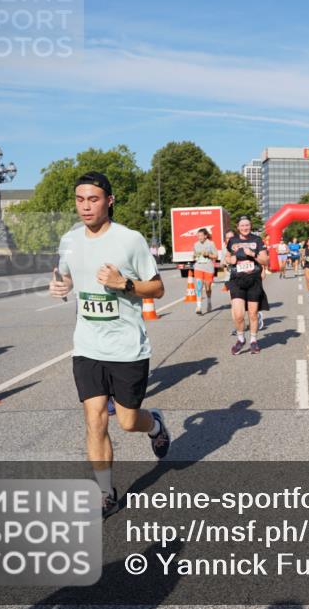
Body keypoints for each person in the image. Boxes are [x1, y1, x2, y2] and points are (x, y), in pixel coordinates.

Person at [49, 171, 172, 518]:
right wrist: (59, 287)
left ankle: (156, 425)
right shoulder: (69, 240)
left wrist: (125, 284)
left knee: (128, 422)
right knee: (94, 420)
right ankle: (106, 493)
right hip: (87, 346)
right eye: (79, 199)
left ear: (109, 201)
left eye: (93, 199)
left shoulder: (129, 240)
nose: (85, 206)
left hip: (127, 348)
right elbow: (66, 276)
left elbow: (157, 288)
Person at [225, 216, 269, 355]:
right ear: (238, 227)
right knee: (238, 315)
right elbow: (226, 257)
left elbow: (265, 260)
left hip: (253, 280)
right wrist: (229, 259)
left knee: (253, 314)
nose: (245, 228)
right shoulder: (233, 240)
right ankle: (240, 339)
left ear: (250, 226)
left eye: (247, 225)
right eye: (242, 225)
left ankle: (254, 341)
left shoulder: (257, 240)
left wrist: (253, 254)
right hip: (237, 280)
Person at [192, 228, 217, 315]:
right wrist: (194, 256)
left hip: (208, 268)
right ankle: (198, 307)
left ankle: (209, 302)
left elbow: (216, 256)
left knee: (208, 288)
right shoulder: (195, 244)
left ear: (205, 236)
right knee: (199, 287)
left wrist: (208, 255)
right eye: (198, 236)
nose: (199, 237)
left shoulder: (211, 243)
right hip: (198, 267)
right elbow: (194, 255)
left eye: (200, 236)